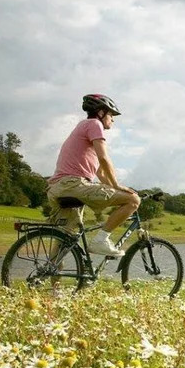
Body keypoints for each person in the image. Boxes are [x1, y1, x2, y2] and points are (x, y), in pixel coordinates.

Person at [46, 94, 140, 256]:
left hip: (58, 188)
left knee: (64, 238)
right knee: (133, 200)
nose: (113, 119)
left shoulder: (83, 127)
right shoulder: (95, 124)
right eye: (111, 115)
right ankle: (101, 240)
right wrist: (117, 186)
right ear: (101, 112)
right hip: (74, 184)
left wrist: (112, 185)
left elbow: (100, 171)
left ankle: (52, 279)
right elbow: (104, 159)